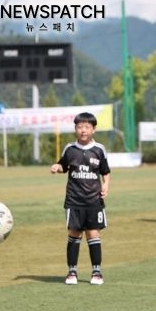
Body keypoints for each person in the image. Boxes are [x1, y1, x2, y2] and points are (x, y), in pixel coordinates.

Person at [50, 112, 111, 286]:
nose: (83, 130)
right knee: (74, 234)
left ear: (93, 129)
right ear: (75, 129)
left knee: (93, 234)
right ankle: (72, 271)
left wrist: (106, 185)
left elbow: (105, 172)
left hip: (94, 200)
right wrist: (57, 167)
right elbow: (64, 166)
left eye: (87, 127)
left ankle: (97, 272)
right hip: (74, 200)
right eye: (79, 127)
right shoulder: (70, 149)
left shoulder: (99, 150)